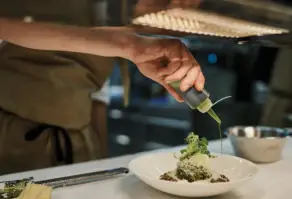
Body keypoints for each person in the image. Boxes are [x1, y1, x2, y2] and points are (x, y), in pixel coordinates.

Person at [0, 2, 205, 174]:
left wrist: (100, 163)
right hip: (14, 138)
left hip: (80, 141)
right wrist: (131, 46)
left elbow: (98, 96)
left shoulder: (114, 11)